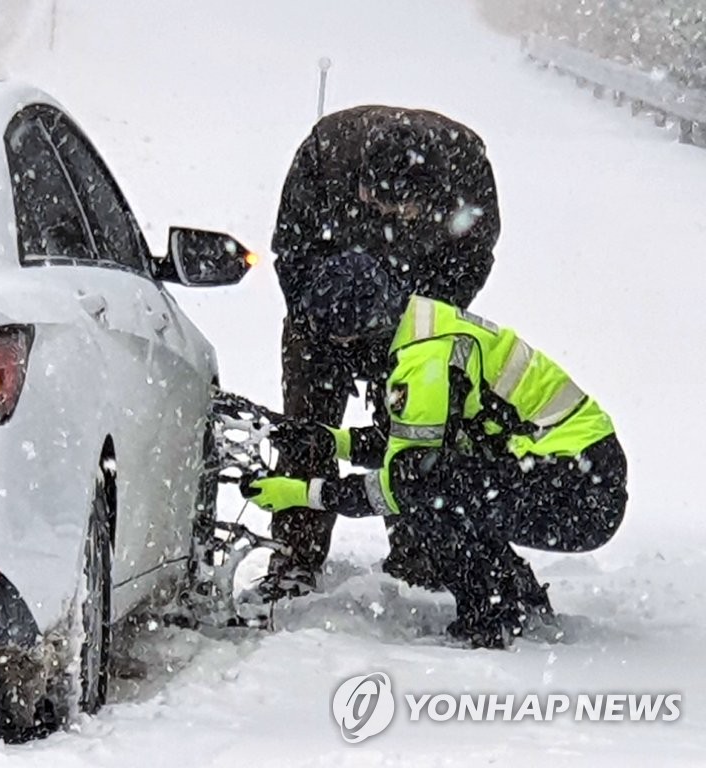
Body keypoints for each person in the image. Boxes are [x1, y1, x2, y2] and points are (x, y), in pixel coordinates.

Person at [244, 252, 627, 648]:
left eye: (338, 340)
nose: (337, 353)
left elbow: (400, 484)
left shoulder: (424, 360)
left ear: (363, 330)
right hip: (577, 474)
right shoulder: (418, 325)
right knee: (441, 481)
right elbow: (410, 449)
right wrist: (328, 439)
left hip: (578, 493)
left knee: (429, 495)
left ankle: (493, 617)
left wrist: (302, 494)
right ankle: (513, 602)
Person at [265, 105, 501, 598]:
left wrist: (418, 320)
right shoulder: (325, 155)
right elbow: (290, 249)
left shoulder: (465, 166)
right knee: (308, 431)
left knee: (416, 433)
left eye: (403, 211)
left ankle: (418, 556)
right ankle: (296, 557)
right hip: (323, 312)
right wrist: (325, 320)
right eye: (376, 203)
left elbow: (475, 256)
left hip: (413, 320)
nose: (388, 217)